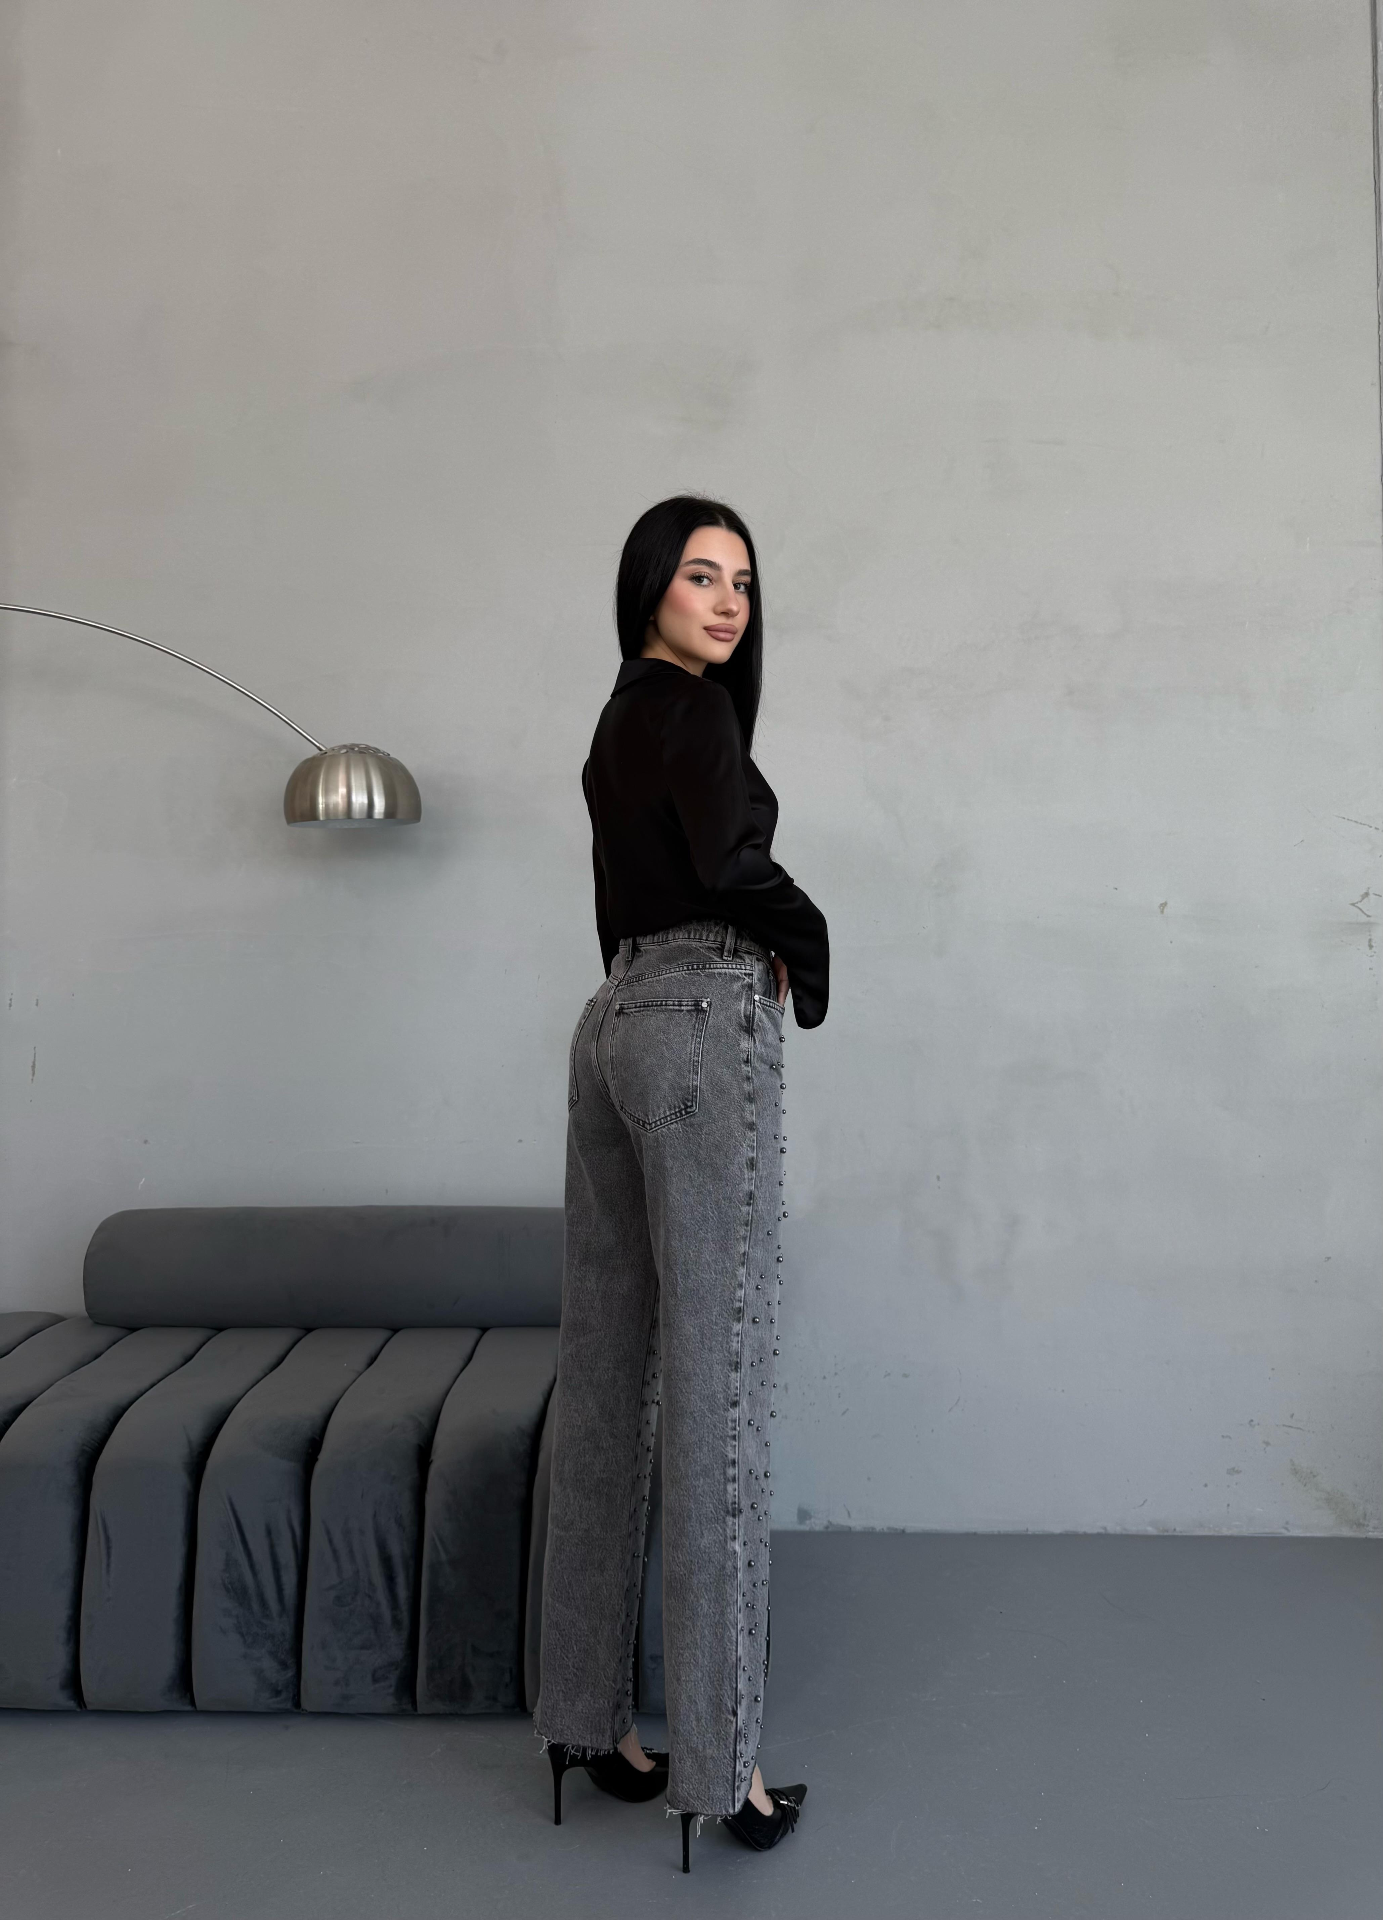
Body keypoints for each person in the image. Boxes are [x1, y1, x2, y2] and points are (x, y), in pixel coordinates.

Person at [533, 494, 829, 1872]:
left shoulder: (615, 719)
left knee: (608, 1378)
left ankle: (584, 1721)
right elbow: (725, 864)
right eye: (700, 574)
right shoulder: (694, 712)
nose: (725, 601)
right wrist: (805, 941)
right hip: (702, 1020)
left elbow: (625, 895)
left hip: (609, 1024)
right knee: (718, 1386)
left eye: (742, 583)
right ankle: (724, 1770)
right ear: (648, 584)